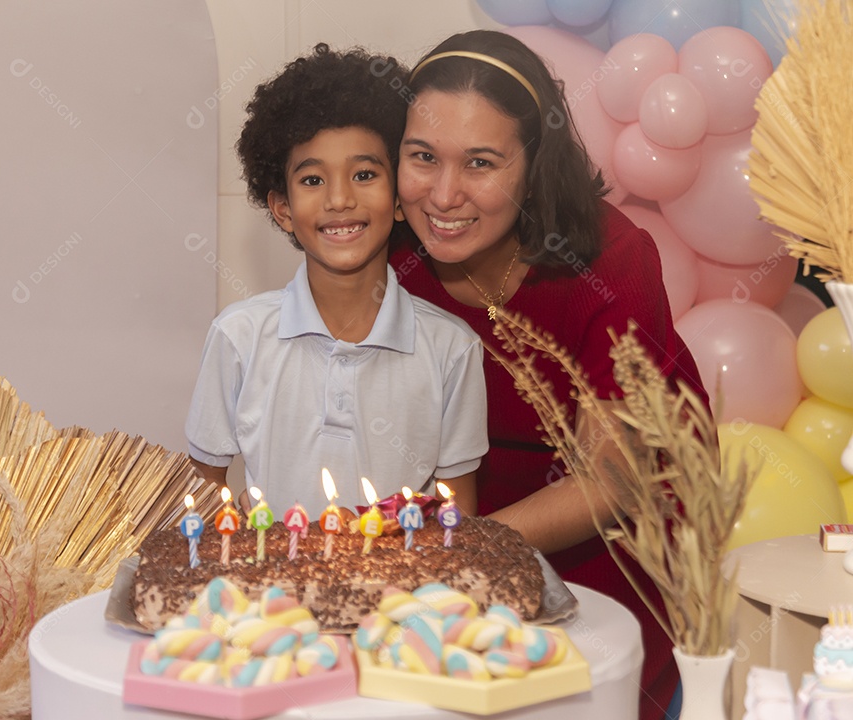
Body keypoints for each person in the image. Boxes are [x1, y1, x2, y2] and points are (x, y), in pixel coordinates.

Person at [389, 30, 707, 720]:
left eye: (480, 162)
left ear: (534, 167)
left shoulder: (613, 262)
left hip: (604, 541)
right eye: (422, 158)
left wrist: (450, 554)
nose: (443, 195)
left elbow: (611, 482)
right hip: (453, 519)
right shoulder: (388, 253)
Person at [185, 44, 488, 514]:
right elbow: (201, 501)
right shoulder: (238, 338)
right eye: (312, 181)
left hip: (403, 589)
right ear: (282, 209)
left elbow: (460, 520)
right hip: (268, 587)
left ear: (400, 196)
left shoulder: (453, 350)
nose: (339, 199)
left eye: (364, 173)